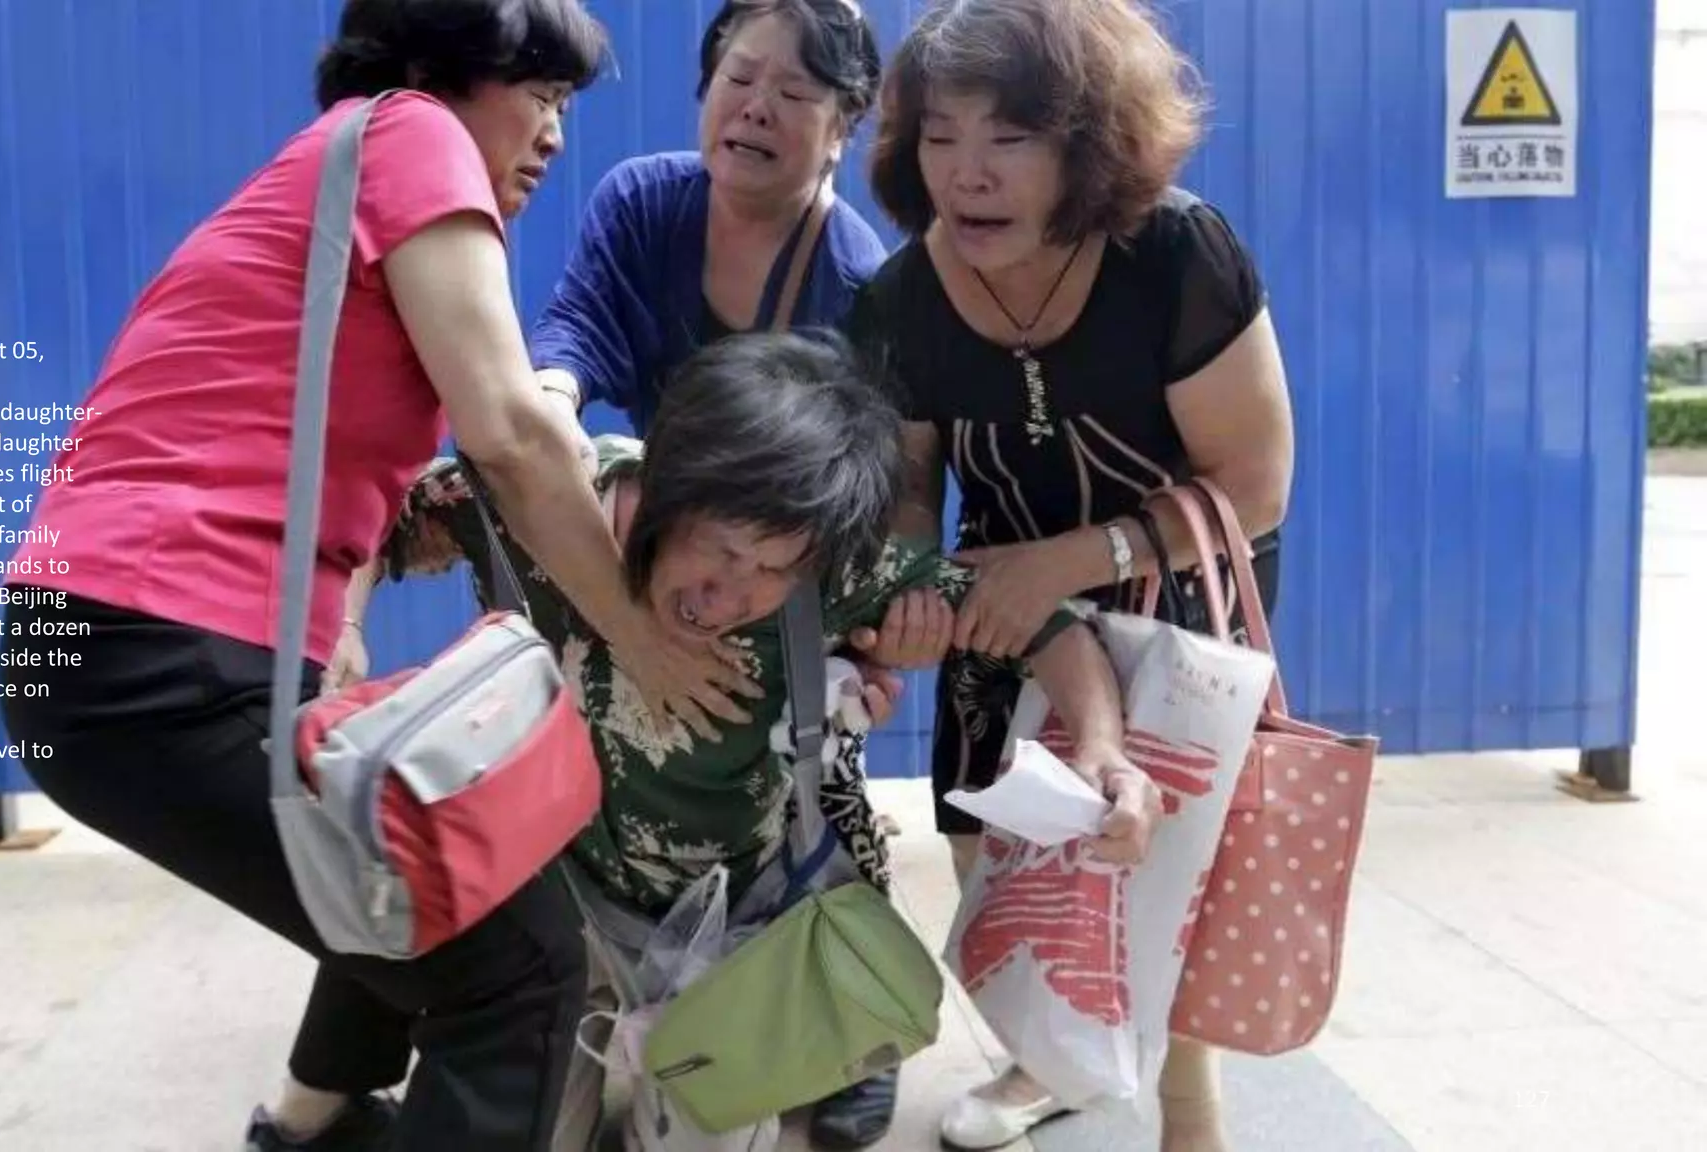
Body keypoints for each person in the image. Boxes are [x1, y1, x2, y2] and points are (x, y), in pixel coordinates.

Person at [0, 3, 763, 1150]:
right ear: (428, 65)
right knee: (520, 974)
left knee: (426, 862)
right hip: (148, 648)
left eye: (565, 107)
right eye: (535, 93)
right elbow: (507, 429)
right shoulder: (412, 133)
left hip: (121, 642)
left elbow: (294, 427)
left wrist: (332, 612)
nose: (552, 134)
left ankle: (309, 1127)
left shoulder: (340, 169)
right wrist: (638, 637)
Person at [368, 330, 1161, 1151]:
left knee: (703, 1131)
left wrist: (1102, 749)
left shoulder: (830, 569)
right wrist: (343, 633)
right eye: (719, 547)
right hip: (542, 901)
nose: (729, 594)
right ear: (666, 482)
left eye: (773, 572)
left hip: (728, 926)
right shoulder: (545, 497)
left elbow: (1050, 628)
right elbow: (366, 515)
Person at [846, 1, 1298, 1149]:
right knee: (995, 852)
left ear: (1085, 145)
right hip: (1000, 611)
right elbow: (907, 496)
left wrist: (1077, 558)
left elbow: (1253, 485)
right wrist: (906, 587)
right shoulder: (895, 300)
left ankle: (1188, 1117)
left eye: (1009, 138)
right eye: (939, 138)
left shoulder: (1175, 254)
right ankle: (1041, 1058)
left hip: (1174, 608)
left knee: (1158, 871)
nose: (968, 172)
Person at [525, 6, 943, 1139]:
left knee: (806, 784)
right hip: (663, 528)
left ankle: (833, 1012)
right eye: (736, 77)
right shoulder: (643, 198)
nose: (753, 107)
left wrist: (864, 634)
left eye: (794, 93)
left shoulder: (863, 284)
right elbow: (577, 329)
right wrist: (548, 412)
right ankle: (594, 994)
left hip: (778, 573)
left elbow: (875, 484)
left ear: (844, 126)